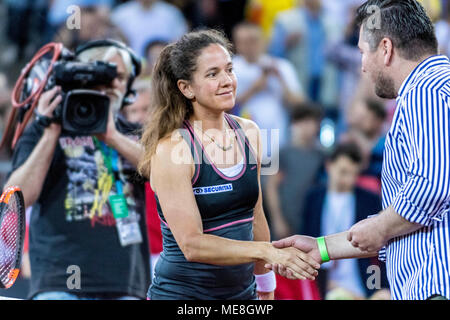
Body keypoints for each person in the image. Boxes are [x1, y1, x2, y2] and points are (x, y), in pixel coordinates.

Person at [267, 0, 450, 301]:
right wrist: (322, 248)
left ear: (386, 49)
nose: (362, 65)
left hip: (435, 287)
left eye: (364, 52)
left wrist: (379, 226)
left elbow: (432, 187)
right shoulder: (437, 89)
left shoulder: (424, 93)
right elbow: (411, 215)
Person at [138, 29, 320, 300]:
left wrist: (267, 286)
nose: (227, 81)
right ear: (186, 88)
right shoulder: (172, 149)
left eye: (229, 70)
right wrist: (265, 251)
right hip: (182, 296)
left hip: (241, 295)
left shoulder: (250, 132)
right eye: (212, 74)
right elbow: (192, 245)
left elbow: (256, 215)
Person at [4, 40, 150, 300]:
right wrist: (51, 132)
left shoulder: (132, 133)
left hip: (126, 283)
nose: (115, 85)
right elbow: (18, 196)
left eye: (122, 79)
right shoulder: (42, 130)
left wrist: (111, 136)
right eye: (108, 76)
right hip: (59, 282)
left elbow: (162, 172)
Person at [302, 143, 389, 300]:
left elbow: (378, 250)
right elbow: (307, 234)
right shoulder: (313, 197)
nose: (347, 179)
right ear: (329, 166)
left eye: (353, 174)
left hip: (361, 279)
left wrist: (378, 287)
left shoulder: (369, 200)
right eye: (343, 172)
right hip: (322, 278)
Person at [232, 22, 304, 150]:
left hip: (277, 136)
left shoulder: (281, 66)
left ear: (264, 41)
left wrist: (281, 80)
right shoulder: (231, 67)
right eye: (243, 41)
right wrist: (255, 88)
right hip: (242, 138)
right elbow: (226, 106)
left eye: (253, 40)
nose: (249, 46)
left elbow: (300, 104)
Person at [265, 104, 323, 240]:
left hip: (308, 218)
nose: (308, 127)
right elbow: (271, 187)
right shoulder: (282, 153)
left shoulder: (320, 156)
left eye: (312, 123)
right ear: (294, 124)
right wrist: (277, 219)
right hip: (286, 217)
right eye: (304, 122)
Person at [111, 0, 188, 57]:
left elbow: (181, 42)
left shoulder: (172, 13)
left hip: (164, 67)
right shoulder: (120, 15)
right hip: (132, 68)